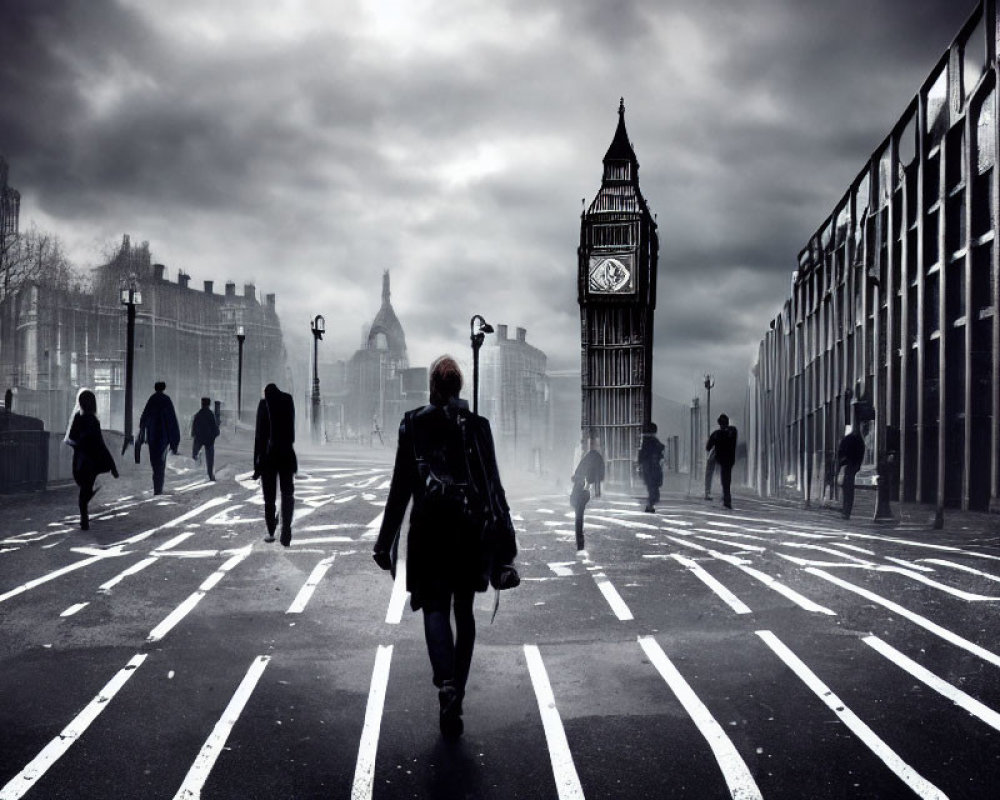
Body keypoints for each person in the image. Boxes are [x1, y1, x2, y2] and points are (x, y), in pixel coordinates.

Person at [373, 355, 518, 738]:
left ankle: (446, 684)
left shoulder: (413, 423)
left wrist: (384, 541)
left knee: (434, 608)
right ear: (460, 388)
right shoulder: (478, 426)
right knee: (464, 611)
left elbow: (400, 486)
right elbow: (493, 487)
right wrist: (506, 548)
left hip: (429, 531)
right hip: (469, 531)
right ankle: (460, 688)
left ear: (432, 388)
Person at [64, 389, 119, 530]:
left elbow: (71, 438)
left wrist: (78, 445)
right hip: (92, 461)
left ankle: (84, 519)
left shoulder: (77, 417)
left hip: (80, 460)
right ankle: (84, 517)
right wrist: (112, 466)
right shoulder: (93, 420)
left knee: (83, 487)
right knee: (86, 489)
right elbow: (100, 443)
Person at [253, 383, 297, 546]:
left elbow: (259, 437)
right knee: (287, 493)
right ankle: (286, 529)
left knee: (269, 498)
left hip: (268, 458)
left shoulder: (263, 405)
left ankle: (271, 530)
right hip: (286, 455)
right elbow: (291, 429)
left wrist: (256, 465)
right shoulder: (287, 400)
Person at [138, 381, 181, 495]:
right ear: (164, 388)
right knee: (161, 463)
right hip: (163, 438)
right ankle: (158, 489)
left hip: (152, 437)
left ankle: (157, 487)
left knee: (154, 462)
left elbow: (143, 419)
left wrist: (143, 432)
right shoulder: (166, 400)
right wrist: (174, 441)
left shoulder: (151, 400)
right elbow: (172, 421)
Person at [571, 437, 604, 550]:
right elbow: (599, 475)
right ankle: (580, 541)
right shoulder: (594, 456)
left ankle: (580, 541)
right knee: (579, 515)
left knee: (579, 515)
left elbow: (595, 475)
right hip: (584, 488)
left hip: (582, 488)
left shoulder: (591, 456)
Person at [706, 414, 738, 509]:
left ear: (719, 423)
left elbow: (708, 447)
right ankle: (726, 498)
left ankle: (707, 491)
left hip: (720, 458)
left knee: (710, 470)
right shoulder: (733, 431)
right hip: (729, 459)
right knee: (726, 480)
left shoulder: (716, 434)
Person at [837, 425, 866, 520]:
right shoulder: (859, 440)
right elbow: (861, 454)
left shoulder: (847, 439)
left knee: (846, 490)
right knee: (849, 490)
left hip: (847, 466)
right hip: (853, 467)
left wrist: (841, 463)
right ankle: (846, 511)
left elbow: (840, 453)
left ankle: (845, 511)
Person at [636, 422, 665, 513]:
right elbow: (660, 449)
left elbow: (641, 454)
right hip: (653, 466)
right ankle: (650, 504)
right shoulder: (653, 441)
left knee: (651, 486)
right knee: (653, 486)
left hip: (647, 466)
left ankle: (651, 504)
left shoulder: (644, 441)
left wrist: (639, 465)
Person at [191, 397, 221, 481]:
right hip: (209, 440)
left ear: (202, 404)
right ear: (209, 404)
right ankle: (211, 475)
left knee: (195, 455)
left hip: (199, 439)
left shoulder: (198, 414)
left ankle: (195, 471)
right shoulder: (210, 414)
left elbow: (194, 428)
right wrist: (214, 435)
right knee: (210, 459)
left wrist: (194, 435)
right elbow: (215, 428)